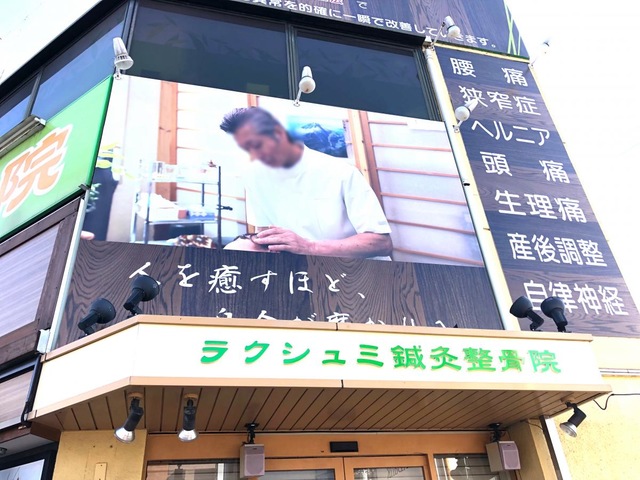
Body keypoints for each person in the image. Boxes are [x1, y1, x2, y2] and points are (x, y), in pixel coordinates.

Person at [220, 106, 392, 259]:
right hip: (303, 272)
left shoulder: (342, 172)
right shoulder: (254, 176)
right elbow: (266, 235)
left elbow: (381, 243)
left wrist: (310, 247)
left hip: (358, 272)